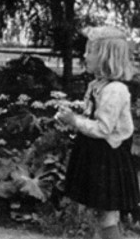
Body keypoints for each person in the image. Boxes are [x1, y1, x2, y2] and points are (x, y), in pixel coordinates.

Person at [57, 26, 139, 239]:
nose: (84, 55)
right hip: (96, 153)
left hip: (109, 157)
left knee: (107, 214)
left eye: (90, 51)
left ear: (105, 57)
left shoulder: (115, 90)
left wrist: (75, 121)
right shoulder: (98, 85)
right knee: (99, 212)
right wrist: (72, 118)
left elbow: (103, 129)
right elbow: (92, 115)